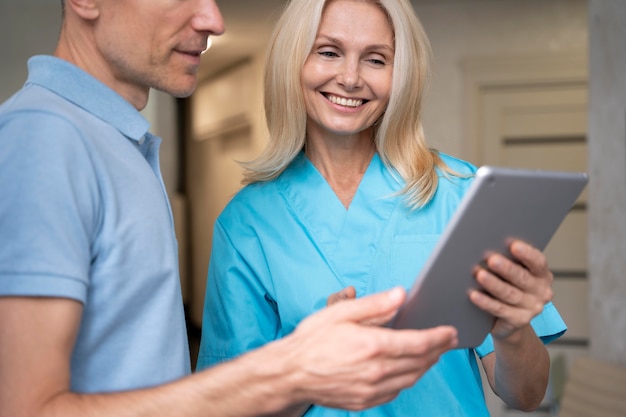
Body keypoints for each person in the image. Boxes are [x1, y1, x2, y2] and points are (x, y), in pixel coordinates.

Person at [0, 1, 462, 416]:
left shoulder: (116, 146)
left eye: (376, 58)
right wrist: (292, 369)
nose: (214, 20)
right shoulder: (42, 138)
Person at [196, 0, 567, 416]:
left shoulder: (457, 193)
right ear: (292, 60)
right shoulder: (248, 223)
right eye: (328, 52)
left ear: (400, 75)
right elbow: (233, 407)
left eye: (376, 59)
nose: (350, 78)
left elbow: (526, 395)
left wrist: (514, 331)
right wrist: (311, 367)